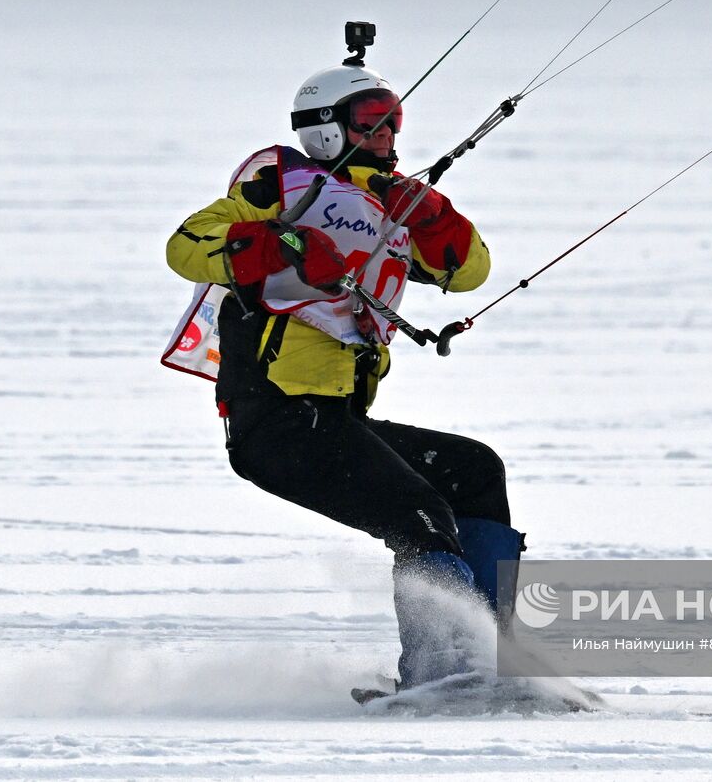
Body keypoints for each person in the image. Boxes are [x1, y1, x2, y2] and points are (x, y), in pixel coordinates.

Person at [164, 38, 523, 689]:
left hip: (336, 419)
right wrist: (274, 249)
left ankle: (497, 658)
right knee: (418, 511)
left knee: (474, 471)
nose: (387, 133)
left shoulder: (393, 204)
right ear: (327, 131)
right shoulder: (278, 188)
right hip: (274, 421)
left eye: (393, 119)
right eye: (370, 120)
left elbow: (469, 272)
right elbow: (186, 247)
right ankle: (441, 670)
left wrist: (437, 218)